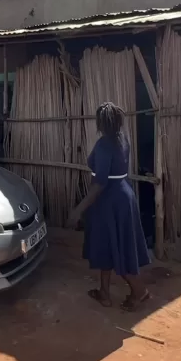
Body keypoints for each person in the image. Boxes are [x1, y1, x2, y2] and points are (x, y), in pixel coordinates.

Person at [66, 102, 151, 310]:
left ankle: (140, 292)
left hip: (109, 200)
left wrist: (78, 210)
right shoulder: (123, 140)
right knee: (108, 245)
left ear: (101, 123)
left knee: (118, 248)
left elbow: (99, 184)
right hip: (121, 196)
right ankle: (104, 293)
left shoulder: (105, 145)